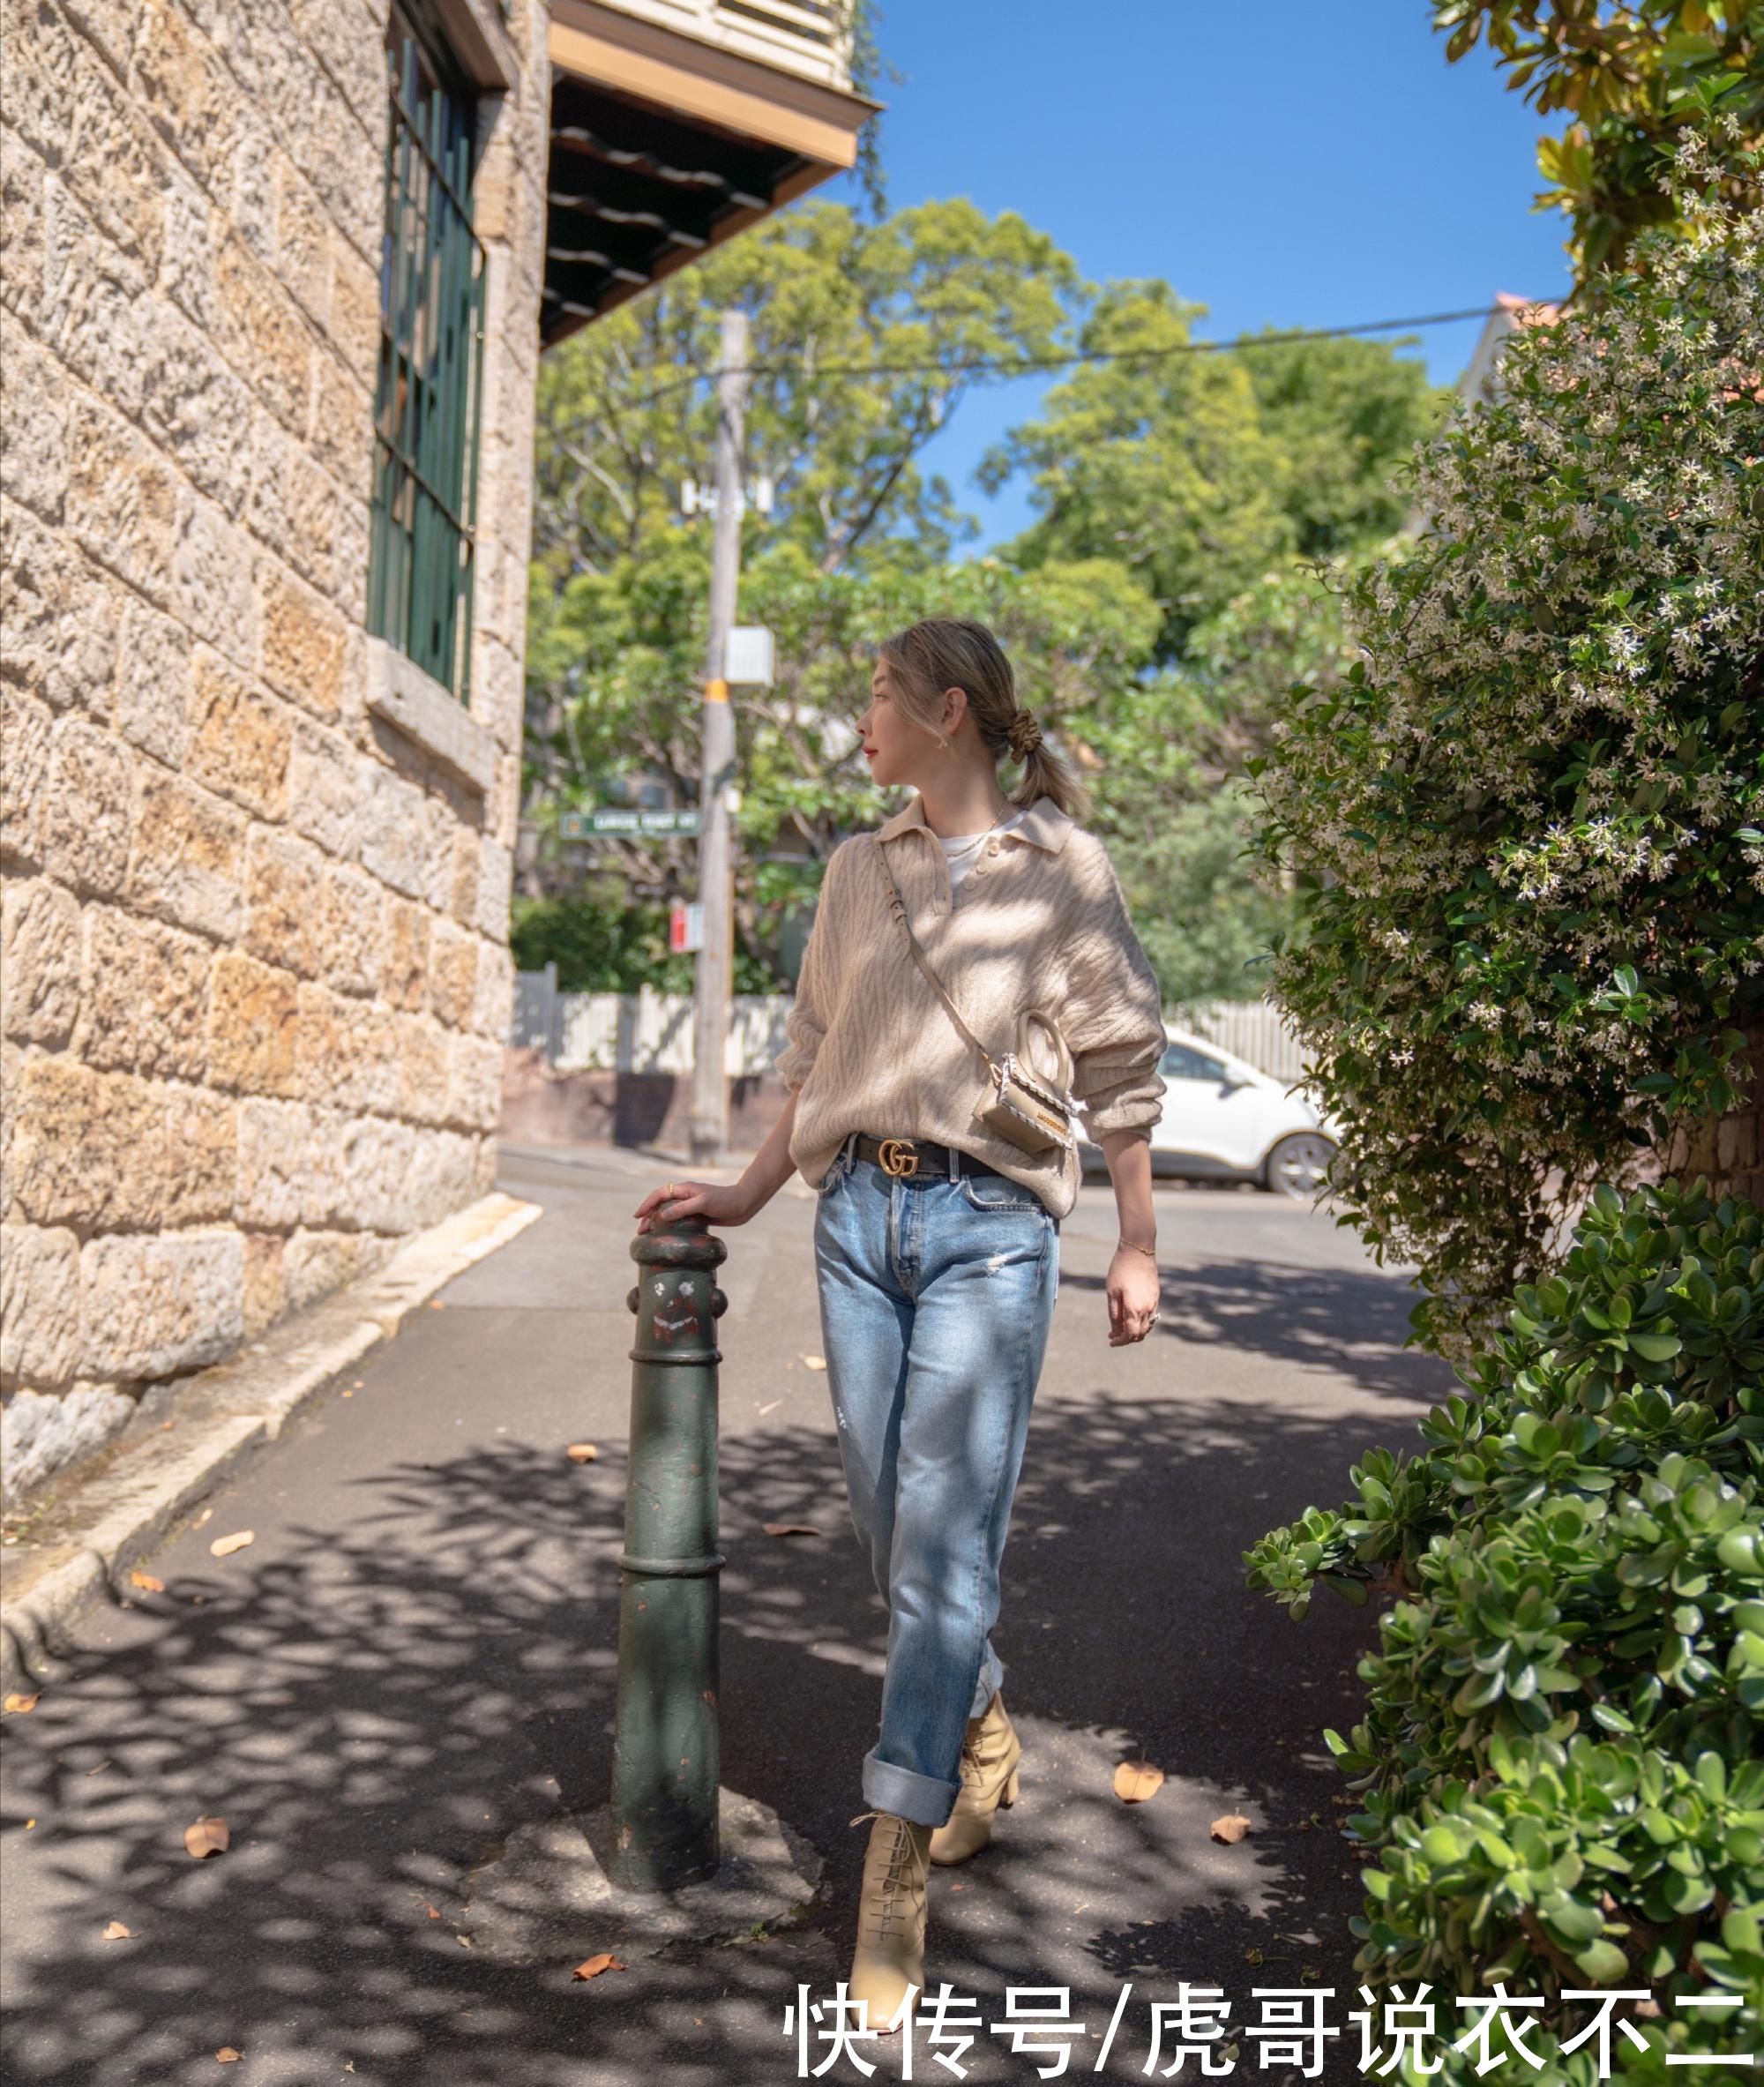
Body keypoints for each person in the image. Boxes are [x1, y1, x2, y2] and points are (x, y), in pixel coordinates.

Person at [632, 617, 1165, 2033]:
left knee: (940, 1538)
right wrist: (747, 1189)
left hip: (993, 1228)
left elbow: (1119, 1060)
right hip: (857, 1221)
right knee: (891, 1528)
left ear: (949, 711)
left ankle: (897, 1860)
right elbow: (817, 1051)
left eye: (877, 692)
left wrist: (1137, 1240)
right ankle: (979, 1729)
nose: (860, 716)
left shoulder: (1063, 870)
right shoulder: (857, 869)